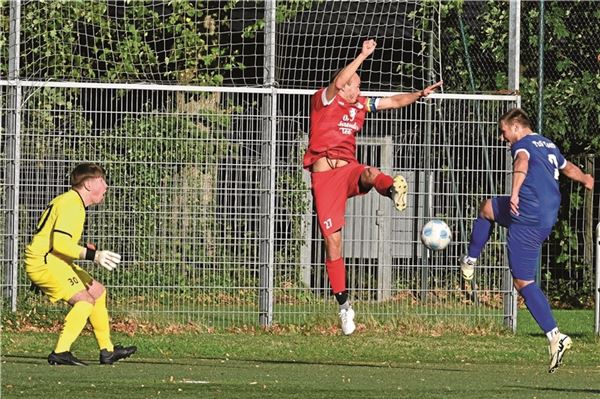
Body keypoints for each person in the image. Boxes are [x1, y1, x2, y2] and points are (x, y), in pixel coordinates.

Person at [304, 39, 443, 335]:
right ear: (343, 87)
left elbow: (393, 101)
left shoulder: (361, 106)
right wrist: (363, 55)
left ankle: (393, 188)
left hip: (347, 171)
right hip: (325, 180)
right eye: (354, 85)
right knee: (333, 243)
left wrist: (418, 95)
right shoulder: (325, 99)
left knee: (369, 172)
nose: (358, 88)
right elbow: (340, 79)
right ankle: (344, 306)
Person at [459, 108, 594, 373]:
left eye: (503, 131)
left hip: (527, 214)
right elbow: (569, 169)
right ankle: (470, 259)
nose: (502, 137)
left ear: (517, 127)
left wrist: (515, 194)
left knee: (523, 281)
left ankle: (555, 336)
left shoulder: (521, 145)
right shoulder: (548, 144)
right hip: (546, 215)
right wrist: (588, 180)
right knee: (487, 208)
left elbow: (521, 163)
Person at [25, 163, 137, 366]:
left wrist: (84, 249)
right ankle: (61, 352)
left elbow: (56, 241)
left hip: (55, 261)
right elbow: (59, 244)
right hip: (46, 263)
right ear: (87, 185)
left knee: (98, 292)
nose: (106, 186)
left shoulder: (72, 202)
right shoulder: (71, 204)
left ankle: (107, 351)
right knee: (85, 301)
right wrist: (93, 255)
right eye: (102, 181)